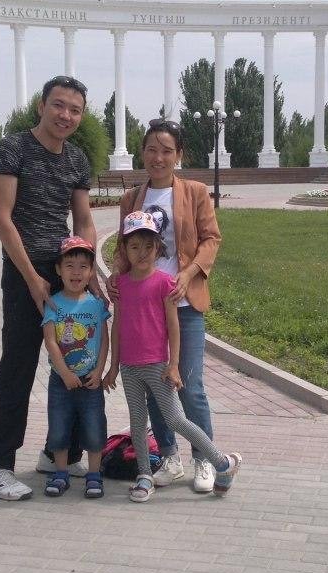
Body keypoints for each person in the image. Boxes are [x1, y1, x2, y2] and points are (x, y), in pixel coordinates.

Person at [0, 76, 101, 501]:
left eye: (75, 110)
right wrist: (32, 279)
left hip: (66, 270)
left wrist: (88, 271)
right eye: (58, 105)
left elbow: (83, 220)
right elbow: (2, 218)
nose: (66, 115)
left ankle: (59, 453)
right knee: (19, 364)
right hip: (23, 271)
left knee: (77, 358)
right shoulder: (13, 148)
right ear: (41, 106)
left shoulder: (77, 159)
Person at [110, 118, 223, 493]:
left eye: (166, 151)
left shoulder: (194, 192)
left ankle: (204, 458)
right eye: (151, 150)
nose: (158, 157)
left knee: (189, 385)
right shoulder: (131, 198)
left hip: (183, 304)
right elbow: (124, 246)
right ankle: (170, 458)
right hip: (146, 308)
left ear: (179, 155)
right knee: (155, 387)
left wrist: (188, 274)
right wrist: (116, 274)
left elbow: (211, 239)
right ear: (142, 153)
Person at [102, 211, 242, 503]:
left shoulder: (165, 283)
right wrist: (113, 366)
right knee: (137, 422)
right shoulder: (121, 285)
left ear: (158, 248)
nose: (142, 253)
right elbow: (117, 325)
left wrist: (174, 364)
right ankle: (144, 475)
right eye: (134, 246)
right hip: (129, 367)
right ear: (124, 250)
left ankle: (222, 463)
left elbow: (173, 326)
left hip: (157, 366)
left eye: (148, 246)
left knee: (176, 419)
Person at [40, 236, 111, 499]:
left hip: (91, 381)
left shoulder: (96, 304)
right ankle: (60, 472)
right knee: (59, 425)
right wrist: (65, 373)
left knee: (94, 426)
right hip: (61, 381)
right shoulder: (53, 303)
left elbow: (103, 339)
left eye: (83, 266)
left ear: (91, 272)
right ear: (58, 270)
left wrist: (100, 370)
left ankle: (94, 475)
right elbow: (50, 341)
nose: (76, 272)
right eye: (69, 265)